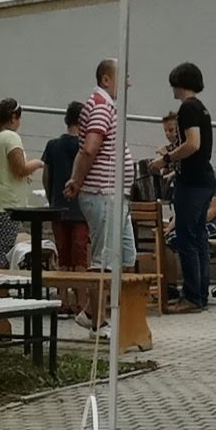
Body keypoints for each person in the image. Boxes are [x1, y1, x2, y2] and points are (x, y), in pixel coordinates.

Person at [162, 62, 216, 314]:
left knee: (186, 238)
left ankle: (192, 296)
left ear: (180, 83)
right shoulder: (201, 108)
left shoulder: (187, 108)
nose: (172, 89)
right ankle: (201, 294)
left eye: (173, 84)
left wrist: (167, 158)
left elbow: (193, 144)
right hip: (205, 178)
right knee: (199, 238)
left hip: (192, 182)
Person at [74, 59, 132, 283]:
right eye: (123, 77)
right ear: (106, 79)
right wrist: (77, 181)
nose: (128, 83)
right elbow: (89, 148)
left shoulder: (103, 105)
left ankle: (121, 302)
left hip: (113, 194)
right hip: (103, 192)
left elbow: (84, 149)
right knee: (104, 259)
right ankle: (96, 304)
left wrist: (75, 179)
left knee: (126, 255)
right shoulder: (101, 106)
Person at [0, 99, 41, 275]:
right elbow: (20, 169)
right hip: (5, 202)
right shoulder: (10, 137)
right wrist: (38, 163)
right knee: (4, 254)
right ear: (13, 117)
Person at [42, 100, 89, 272]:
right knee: (80, 255)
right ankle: (80, 289)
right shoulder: (87, 148)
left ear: (66, 120)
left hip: (58, 207)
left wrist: (52, 198)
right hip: (82, 209)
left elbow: (46, 177)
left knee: (62, 256)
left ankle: (62, 289)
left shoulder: (52, 145)